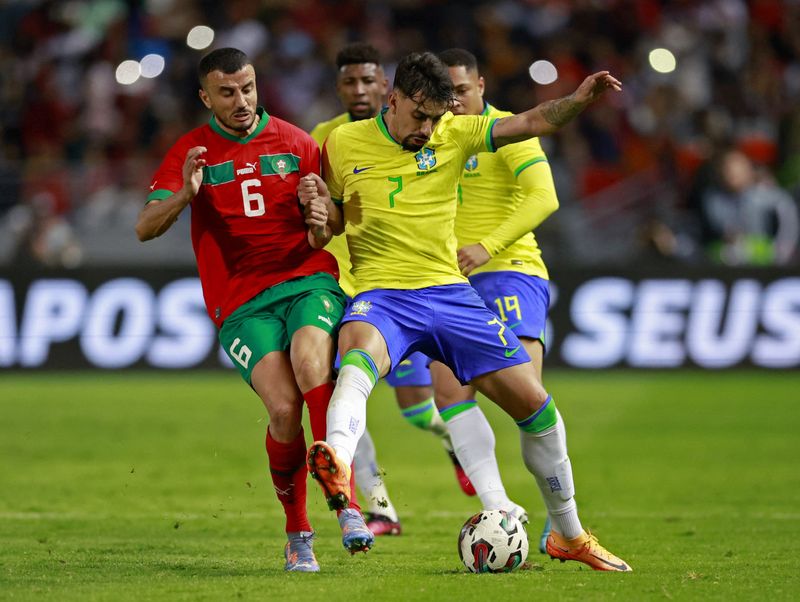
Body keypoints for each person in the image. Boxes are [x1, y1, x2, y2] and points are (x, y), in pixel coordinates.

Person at [301, 51, 632, 571]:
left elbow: (532, 120)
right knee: (356, 358)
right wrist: (321, 217)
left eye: (437, 118)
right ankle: (338, 460)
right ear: (394, 99)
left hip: (452, 295)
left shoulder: (454, 132)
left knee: (537, 408)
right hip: (384, 296)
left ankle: (568, 533)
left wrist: (578, 100)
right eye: (420, 117)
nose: (429, 129)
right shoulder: (342, 142)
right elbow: (335, 222)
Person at [134, 47, 374, 573]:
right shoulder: (192, 151)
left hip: (307, 280)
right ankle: (298, 535)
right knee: (284, 412)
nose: (241, 101)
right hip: (241, 303)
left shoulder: (297, 143)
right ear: (205, 97)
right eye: (226, 92)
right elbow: (145, 227)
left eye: (247, 88)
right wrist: (184, 197)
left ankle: (348, 504)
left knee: (314, 363)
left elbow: (326, 229)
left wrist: (321, 218)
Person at [309, 43, 513, 537]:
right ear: (338, 89)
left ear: (388, 90)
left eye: (368, 82)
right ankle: (376, 506)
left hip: (417, 289)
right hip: (352, 290)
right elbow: (327, 217)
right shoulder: (326, 138)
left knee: (418, 408)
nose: (359, 91)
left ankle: (454, 443)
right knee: (343, 390)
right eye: (349, 83)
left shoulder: (427, 134)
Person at [433, 47, 563, 554]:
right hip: (450, 282)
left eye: (462, 91)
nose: (455, 103)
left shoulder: (506, 130)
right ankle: (500, 506)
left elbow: (543, 197)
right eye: (446, 95)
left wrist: (488, 246)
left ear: (482, 86)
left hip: (510, 273)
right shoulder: (435, 137)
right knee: (448, 394)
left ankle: (560, 522)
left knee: (526, 399)